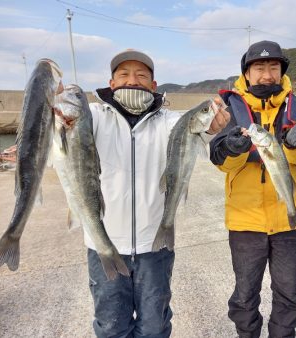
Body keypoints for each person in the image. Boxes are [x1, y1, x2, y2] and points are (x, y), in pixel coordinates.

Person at [83, 49, 230, 338]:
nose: (132, 80)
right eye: (124, 74)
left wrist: (211, 125)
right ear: (111, 83)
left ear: (153, 85)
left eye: (141, 75)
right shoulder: (95, 117)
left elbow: (194, 127)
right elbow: (65, 122)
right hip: (104, 244)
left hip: (155, 247)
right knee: (111, 326)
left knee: (155, 327)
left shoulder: (169, 121)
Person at [209, 40, 296, 338]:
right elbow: (220, 161)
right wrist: (234, 148)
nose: (267, 74)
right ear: (246, 73)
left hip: (289, 219)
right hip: (245, 220)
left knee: (288, 294)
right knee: (244, 295)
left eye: (274, 67)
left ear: (282, 71)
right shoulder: (227, 108)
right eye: (259, 67)